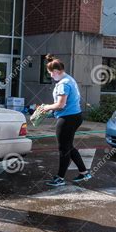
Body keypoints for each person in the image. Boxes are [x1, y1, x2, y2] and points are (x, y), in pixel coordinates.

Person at [42, 54, 91, 187]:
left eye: (51, 74)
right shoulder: (69, 79)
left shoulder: (63, 84)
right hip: (75, 116)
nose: (51, 76)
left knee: (63, 148)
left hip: (67, 118)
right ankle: (84, 172)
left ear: (57, 72)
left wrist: (46, 108)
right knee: (68, 146)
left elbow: (60, 105)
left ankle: (60, 178)